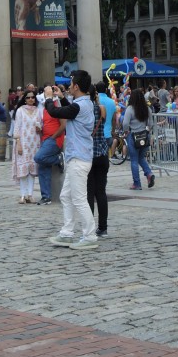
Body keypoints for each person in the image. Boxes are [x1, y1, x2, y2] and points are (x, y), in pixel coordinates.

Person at [43, 69, 98, 249]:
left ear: (76, 86)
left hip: (79, 158)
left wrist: (49, 98)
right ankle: (67, 233)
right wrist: (62, 98)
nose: (68, 86)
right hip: (78, 157)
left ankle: (89, 236)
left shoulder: (79, 106)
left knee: (79, 199)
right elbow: (70, 110)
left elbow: (56, 112)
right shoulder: (85, 102)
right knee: (66, 196)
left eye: (71, 83)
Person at [34, 85, 65, 205]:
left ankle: (59, 159)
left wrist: (53, 136)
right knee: (42, 166)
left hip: (53, 139)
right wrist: (40, 130)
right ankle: (46, 196)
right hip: (46, 138)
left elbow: (63, 125)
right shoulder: (44, 107)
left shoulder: (57, 105)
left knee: (39, 158)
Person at [11, 90, 42, 203]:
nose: (30, 99)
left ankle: (30, 193)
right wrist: (18, 143)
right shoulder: (20, 111)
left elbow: (41, 126)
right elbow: (17, 127)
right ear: (24, 99)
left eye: (33, 97)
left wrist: (40, 128)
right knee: (23, 169)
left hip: (34, 143)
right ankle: (23, 194)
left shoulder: (38, 111)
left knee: (32, 170)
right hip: (23, 142)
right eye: (28, 97)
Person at [86, 88, 109, 238]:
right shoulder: (102, 109)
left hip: (89, 154)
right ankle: (103, 227)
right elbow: (105, 122)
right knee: (101, 192)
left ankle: (90, 227)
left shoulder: (83, 111)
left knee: (89, 193)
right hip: (102, 152)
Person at [122, 88, 154, 190]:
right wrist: (147, 130)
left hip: (133, 136)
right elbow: (151, 124)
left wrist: (126, 131)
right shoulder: (147, 109)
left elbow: (125, 123)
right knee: (141, 157)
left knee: (134, 160)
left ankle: (137, 183)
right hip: (145, 135)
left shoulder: (130, 109)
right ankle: (149, 174)